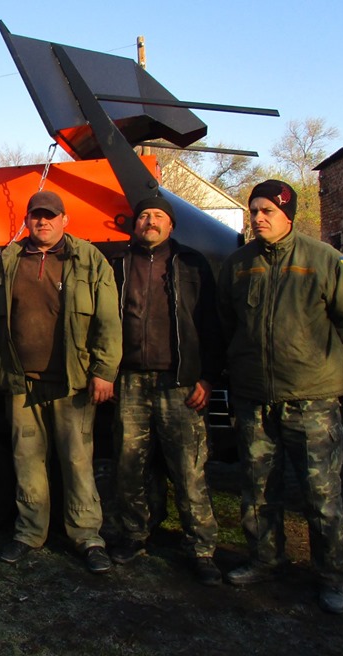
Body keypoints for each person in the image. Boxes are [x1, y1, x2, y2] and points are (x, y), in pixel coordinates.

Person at [218, 179, 343, 614]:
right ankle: (265, 559)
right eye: (254, 211)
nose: (259, 218)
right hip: (255, 397)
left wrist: (328, 364)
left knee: (321, 495)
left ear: (288, 214)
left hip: (312, 399)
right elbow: (228, 321)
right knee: (258, 488)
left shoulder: (324, 260)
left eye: (267, 210)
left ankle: (331, 577)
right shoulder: (240, 265)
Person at [0, 191, 121, 574]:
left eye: (50, 216)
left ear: (65, 219)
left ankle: (87, 536)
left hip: (73, 382)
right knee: (26, 460)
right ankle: (30, 532)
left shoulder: (88, 259)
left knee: (77, 460)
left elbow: (108, 321)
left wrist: (104, 371)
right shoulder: (10, 259)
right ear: (27, 220)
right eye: (36, 217)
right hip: (21, 382)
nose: (42, 223)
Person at [109, 195, 224, 585]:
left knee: (189, 470)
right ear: (134, 224)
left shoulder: (191, 263)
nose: (150, 221)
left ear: (171, 225)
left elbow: (211, 323)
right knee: (130, 465)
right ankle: (135, 534)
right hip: (130, 381)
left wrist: (207, 377)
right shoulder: (119, 264)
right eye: (144, 215)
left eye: (158, 215)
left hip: (181, 383)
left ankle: (202, 549)